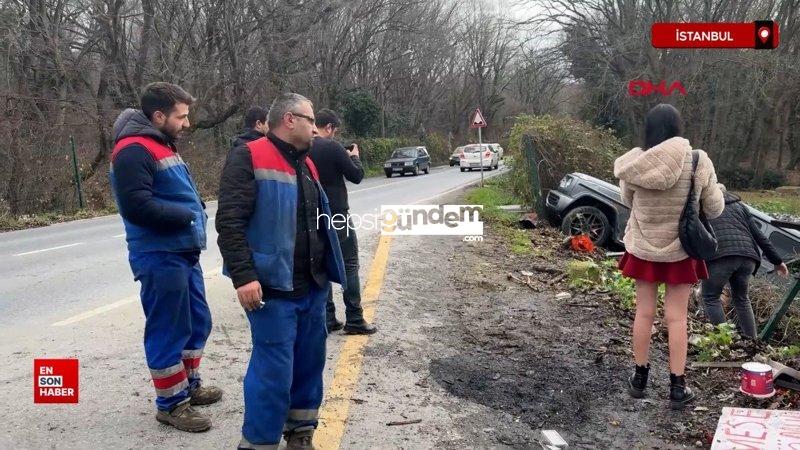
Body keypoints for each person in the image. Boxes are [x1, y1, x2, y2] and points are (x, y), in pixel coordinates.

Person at [216, 93, 346, 449]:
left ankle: (301, 433)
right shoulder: (248, 156)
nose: (316, 129)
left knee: (308, 367)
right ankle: (258, 443)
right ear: (290, 120)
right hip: (273, 292)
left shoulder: (307, 163)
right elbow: (229, 222)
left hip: (312, 288)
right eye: (311, 119)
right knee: (272, 374)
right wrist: (244, 277)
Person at [110, 82, 221, 432]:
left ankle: (189, 385)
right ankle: (171, 405)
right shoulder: (132, 150)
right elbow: (136, 205)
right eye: (181, 116)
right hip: (159, 255)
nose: (186, 123)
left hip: (182, 253)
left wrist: (194, 209)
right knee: (167, 329)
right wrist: (186, 215)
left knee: (196, 321)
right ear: (158, 116)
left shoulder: (159, 144)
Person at [613, 103, 725, 410]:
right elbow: (714, 208)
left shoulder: (635, 164)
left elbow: (627, 200)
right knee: (676, 318)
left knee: (644, 313)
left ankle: (639, 379)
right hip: (680, 250)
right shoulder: (697, 159)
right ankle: (678, 387)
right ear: (678, 128)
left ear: (648, 130)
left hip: (644, 248)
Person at [309, 109, 377, 335]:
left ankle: (328, 318)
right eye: (334, 130)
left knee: (320, 266)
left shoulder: (302, 146)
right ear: (328, 127)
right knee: (349, 263)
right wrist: (354, 156)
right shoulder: (332, 146)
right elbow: (356, 175)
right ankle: (355, 318)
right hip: (337, 214)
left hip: (311, 216)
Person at [701, 189, 789, 338]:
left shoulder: (704, 205)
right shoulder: (739, 207)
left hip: (721, 256)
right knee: (741, 298)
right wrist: (778, 261)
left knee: (710, 297)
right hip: (748, 258)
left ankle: (724, 341)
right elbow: (760, 236)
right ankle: (752, 341)